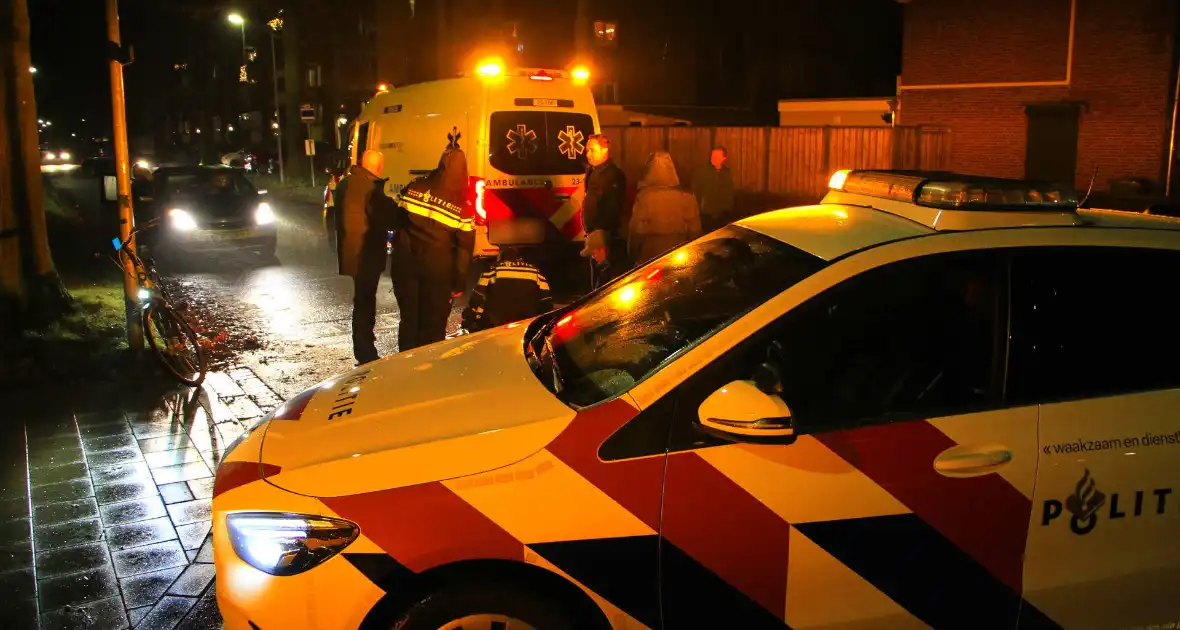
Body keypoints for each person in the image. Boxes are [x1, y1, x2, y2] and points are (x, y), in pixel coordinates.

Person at [394, 147, 475, 351]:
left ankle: (404, 368)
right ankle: (429, 371)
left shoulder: (414, 186)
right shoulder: (462, 205)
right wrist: (458, 283)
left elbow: (397, 223)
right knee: (434, 325)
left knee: (409, 321)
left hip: (406, 267)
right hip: (439, 274)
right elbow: (464, 250)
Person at [335, 149, 401, 365]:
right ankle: (365, 352)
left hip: (352, 252)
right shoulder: (372, 188)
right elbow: (389, 219)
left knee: (361, 300)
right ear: (379, 167)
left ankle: (363, 344)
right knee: (365, 302)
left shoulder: (346, 183)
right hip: (367, 253)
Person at [628, 151, 702, 265]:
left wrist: (632, 254)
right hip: (679, 253)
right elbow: (695, 230)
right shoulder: (687, 197)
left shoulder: (644, 197)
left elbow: (636, 231)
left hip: (651, 256)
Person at [461, 247, 553, 332]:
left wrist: (469, 318)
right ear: (519, 259)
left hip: (496, 324)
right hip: (527, 324)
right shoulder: (535, 272)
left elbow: (477, 298)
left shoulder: (492, 271)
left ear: (500, 259)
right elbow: (546, 300)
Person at [580, 134, 627, 288]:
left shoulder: (613, 175)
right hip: (594, 233)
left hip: (603, 235)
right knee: (596, 275)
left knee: (605, 277)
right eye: (587, 150)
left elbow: (612, 207)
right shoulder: (594, 172)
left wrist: (602, 234)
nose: (588, 154)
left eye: (592, 150)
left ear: (604, 150)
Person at [692, 146, 735, 232]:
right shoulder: (702, 171)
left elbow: (729, 191)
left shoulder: (726, 172)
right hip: (706, 213)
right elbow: (695, 190)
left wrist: (728, 207)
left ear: (724, 158)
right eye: (712, 155)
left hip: (723, 213)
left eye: (717, 156)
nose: (713, 158)